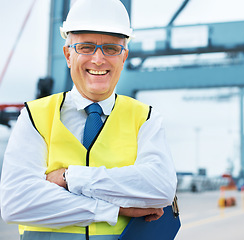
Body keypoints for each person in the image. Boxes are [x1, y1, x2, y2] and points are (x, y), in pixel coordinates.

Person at [0, 0, 177, 239]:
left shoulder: (145, 118)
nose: (98, 60)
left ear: (124, 56)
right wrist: (115, 208)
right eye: (86, 47)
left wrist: (70, 177)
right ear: (67, 55)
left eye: (111, 49)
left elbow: (160, 190)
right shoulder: (34, 116)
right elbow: (16, 203)